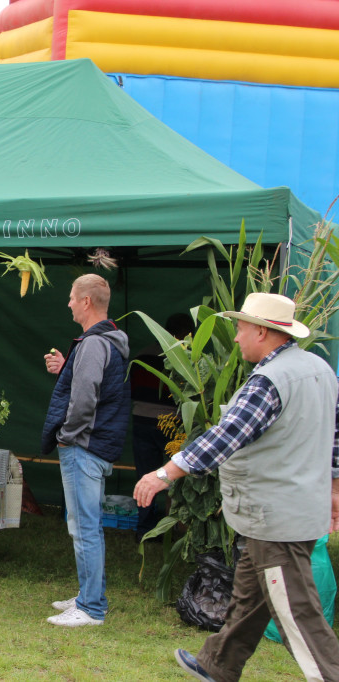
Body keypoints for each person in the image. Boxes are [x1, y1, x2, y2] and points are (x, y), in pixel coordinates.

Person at [133, 293, 339, 682]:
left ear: (262, 331)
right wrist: (334, 488)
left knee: (298, 613)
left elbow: (225, 437)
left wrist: (162, 475)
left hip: (277, 518)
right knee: (250, 597)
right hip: (293, 512)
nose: (238, 336)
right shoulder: (320, 369)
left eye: (242, 327)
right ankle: (218, 667)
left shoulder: (269, 380)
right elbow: (335, 436)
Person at [41, 273, 130, 627]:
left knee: (85, 527)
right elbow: (99, 386)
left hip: (84, 447)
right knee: (85, 524)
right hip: (97, 445)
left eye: (72, 297)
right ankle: (88, 595)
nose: (69, 303)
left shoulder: (94, 344)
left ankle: (91, 608)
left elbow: (84, 400)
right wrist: (68, 368)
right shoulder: (109, 340)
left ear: (87, 302)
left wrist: (66, 434)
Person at [131, 312, 194, 541]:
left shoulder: (142, 354)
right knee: (173, 475)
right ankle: (172, 527)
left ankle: (144, 529)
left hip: (140, 420)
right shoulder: (183, 358)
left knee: (145, 476)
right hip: (171, 424)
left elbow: (132, 390)